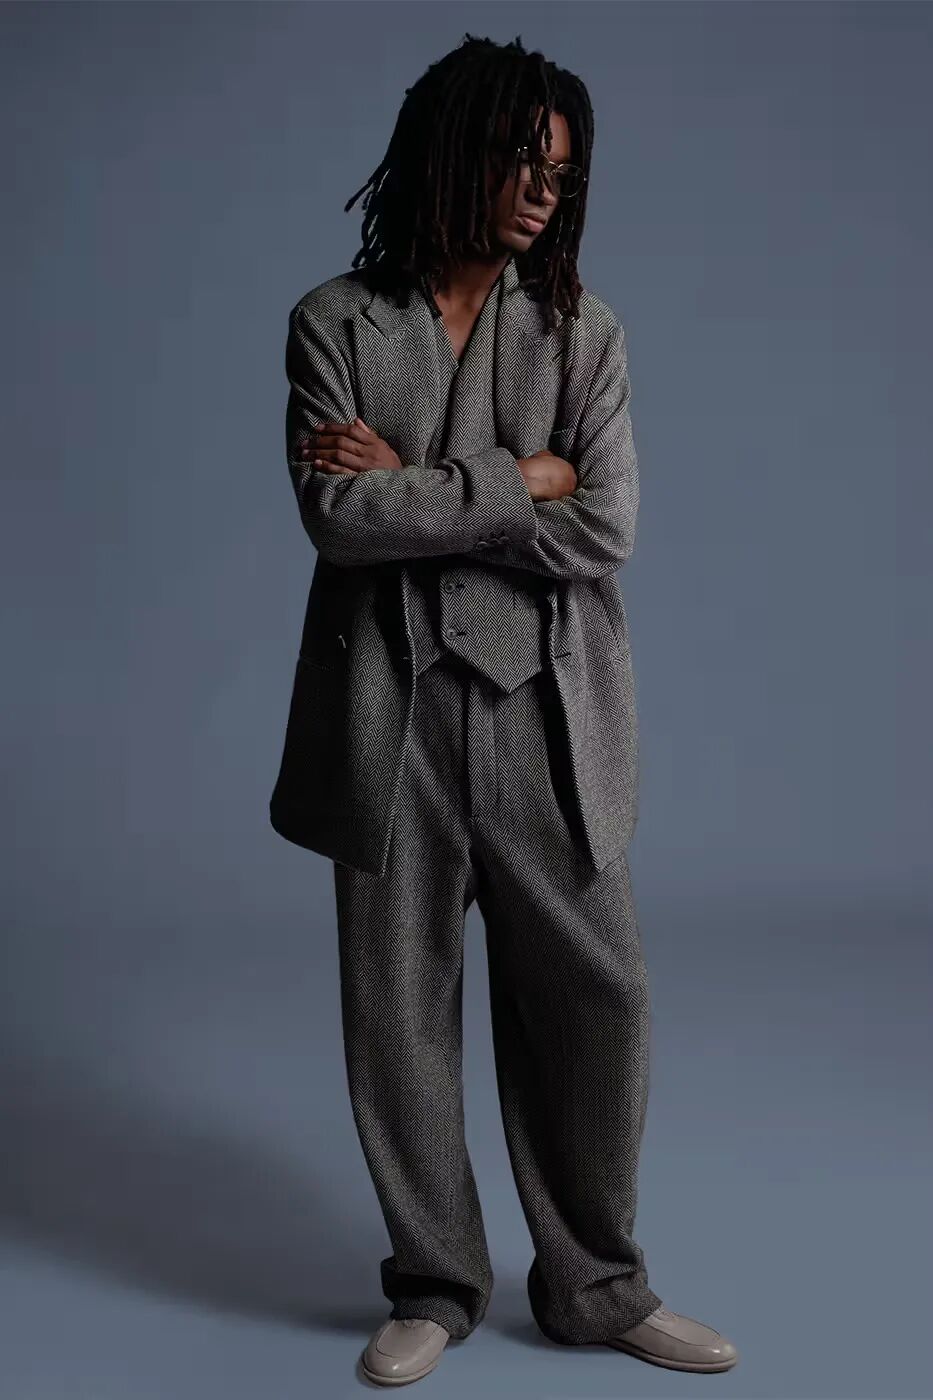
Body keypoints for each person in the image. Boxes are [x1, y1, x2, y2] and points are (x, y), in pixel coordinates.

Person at [269, 33, 738, 1385]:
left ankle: (597, 1288)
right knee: (397, 1016)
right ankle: (434, 1284)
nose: (542, 190)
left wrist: (424, 483)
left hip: (548, 717)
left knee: (600, 1002)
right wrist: (520, 477)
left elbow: (606, 527)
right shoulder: (333, 323)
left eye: (561, 171)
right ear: (452, 151)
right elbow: (339, 519)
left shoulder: (584, 332)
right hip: (389, 720)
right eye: (521, 159)